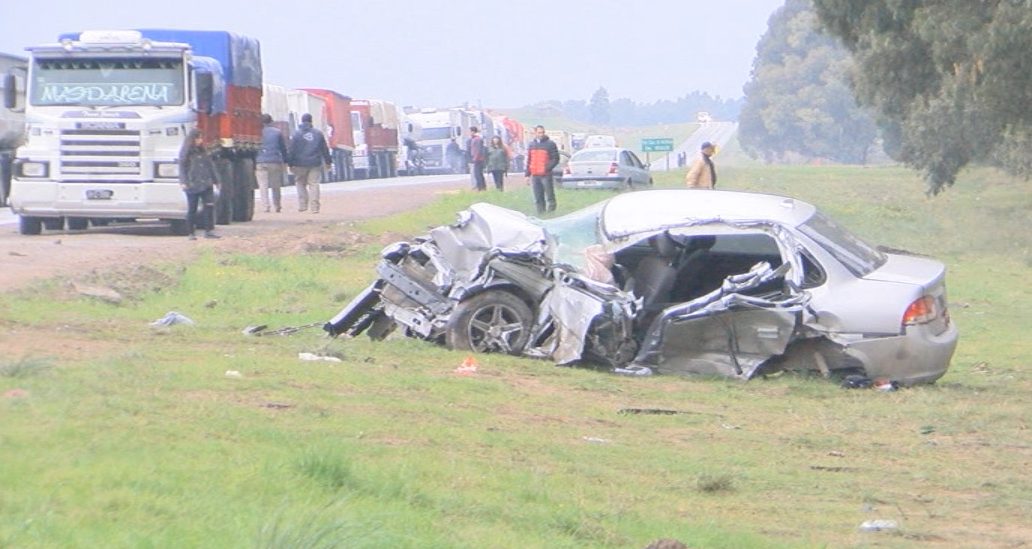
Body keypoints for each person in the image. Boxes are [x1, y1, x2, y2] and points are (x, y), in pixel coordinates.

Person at [178, 129, 220, 240]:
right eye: (198, 138)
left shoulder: (203, 152)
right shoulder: (186, 153)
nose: (200, 141)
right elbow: (182, 168)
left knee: (209, 206)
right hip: (192, 184)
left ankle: (209, 231)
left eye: (201, 138)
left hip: (206, 183)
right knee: (192, 209)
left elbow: (211, 167)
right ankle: (191, 233)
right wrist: (183, 182)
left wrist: (216, 181)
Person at [288, 113, 332, 213]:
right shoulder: (318, 133)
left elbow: (291, 150)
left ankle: (303, 205)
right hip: (314, 163)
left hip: (299, 164)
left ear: (302, 121)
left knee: (300, 183)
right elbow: (324, 149)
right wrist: (328, 162)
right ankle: (314, 207)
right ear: (311, 121)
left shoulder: (296, 134)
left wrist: (290, 163)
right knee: (314, 184)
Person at [255, 114, 288, 213]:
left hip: (260, 161)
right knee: (275, 185)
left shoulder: (257, 133)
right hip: (274, 161)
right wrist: (286, 160)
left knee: (263, 186)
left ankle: (266, 206)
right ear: (271, 121)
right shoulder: (277, 132)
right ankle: (277, 205)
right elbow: (283, 148)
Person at [524, 125, 560, 213]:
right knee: (538, 197)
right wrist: (527, 175)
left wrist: (547, 168)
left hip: (545, 175)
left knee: (550, 196)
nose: (541, 134)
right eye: (539, 132)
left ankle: (551, 213)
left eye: (543, 132)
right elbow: (529, 160)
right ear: (535, 133)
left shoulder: (550, 144)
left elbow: (555, 158)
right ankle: (541, 213)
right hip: (535, 174)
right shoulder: (531, 144)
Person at [466, 126, 486, 191]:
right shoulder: (477, 138)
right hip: (479, 159)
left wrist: (475, 158)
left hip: (478, 159)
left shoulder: (476, 139)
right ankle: (482, 187)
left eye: (470, 131)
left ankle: (480, 188)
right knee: (479, 174)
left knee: (477, 174)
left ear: (473, 131)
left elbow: (477, 150)